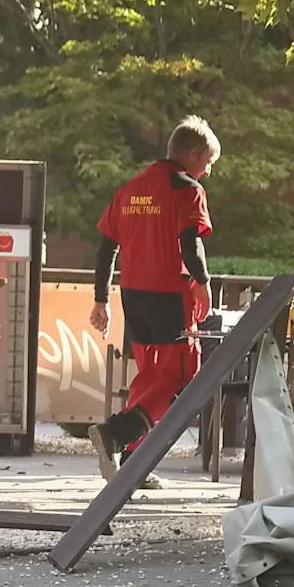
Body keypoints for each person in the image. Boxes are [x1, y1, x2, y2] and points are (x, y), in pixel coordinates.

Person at [87, 117, 220, 486]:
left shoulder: (129, 189)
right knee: (180, 375)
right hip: (168, 294)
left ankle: (132, 462)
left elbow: (105, 247)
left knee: (149, 374)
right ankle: (117, 433)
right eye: (207, 162)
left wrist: (102, 299)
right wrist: (203, 283)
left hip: (134, 295)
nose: (207, 172)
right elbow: (190, 241)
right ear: (192, 154)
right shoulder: (186, 189)